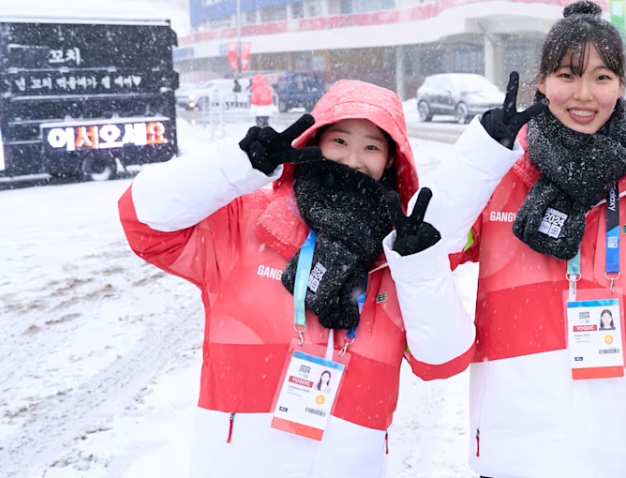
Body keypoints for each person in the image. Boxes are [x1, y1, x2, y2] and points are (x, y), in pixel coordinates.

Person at [382, 0, 626, 477]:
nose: (584, 94)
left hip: (621, 448)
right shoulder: (501, 172)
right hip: (512, 444)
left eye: (602, 77)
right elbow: (432, 247)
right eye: (568, 75)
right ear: (543, 82)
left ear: (621, 86)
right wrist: (479, 157)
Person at [118, 80, 456, 478]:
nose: (352, 159)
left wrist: (420, 267)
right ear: (313, 141)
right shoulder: (246, 220)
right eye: (339, 140)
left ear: (392, 162)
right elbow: (142, 221)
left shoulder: (397, 250)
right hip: (241, 465)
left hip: (351, 466)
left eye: (371, 147)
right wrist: (236, 166)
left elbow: (441, 362)